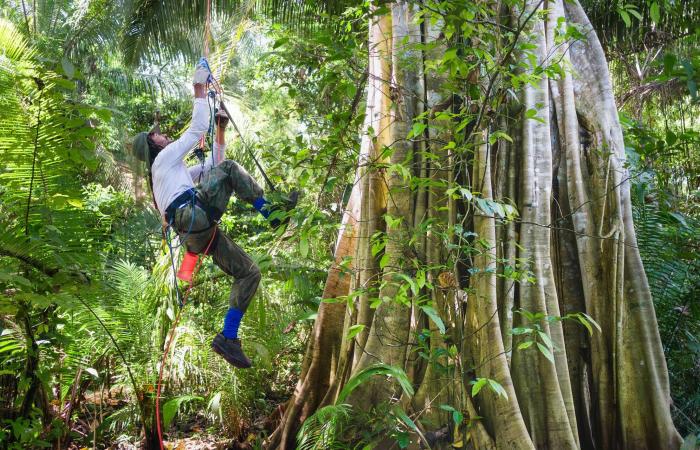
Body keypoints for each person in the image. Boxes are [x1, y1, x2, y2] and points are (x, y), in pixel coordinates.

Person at [132, 61, 295, 368]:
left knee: (250, 273)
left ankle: (228, 337)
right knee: (232, 168)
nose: (163, 135)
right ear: (154, 147)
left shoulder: (171, 172)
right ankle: (272, 215)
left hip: (198, 231)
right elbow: (197, 132)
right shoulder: (163, 160)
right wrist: (198, 87)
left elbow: (212, 167)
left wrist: (219, 130)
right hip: (194, 218)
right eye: (158, 136)